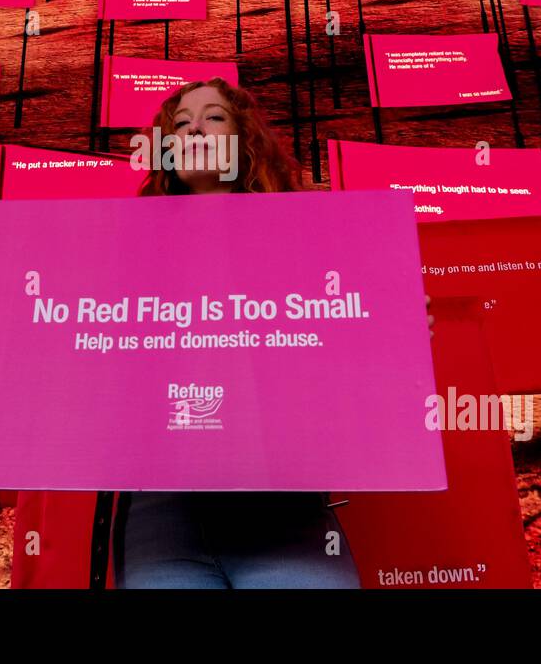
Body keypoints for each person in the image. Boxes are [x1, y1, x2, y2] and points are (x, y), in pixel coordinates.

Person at [110, 77, 434, 589]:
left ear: (244, 139)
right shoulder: (119, 245)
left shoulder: (309, 239)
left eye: (213, 116)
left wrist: (396, 333)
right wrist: (11, 349)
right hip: (162, 510)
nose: (194, 125)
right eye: (180, 121)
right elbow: (90, 354)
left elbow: (344, 355)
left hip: (285, 507)